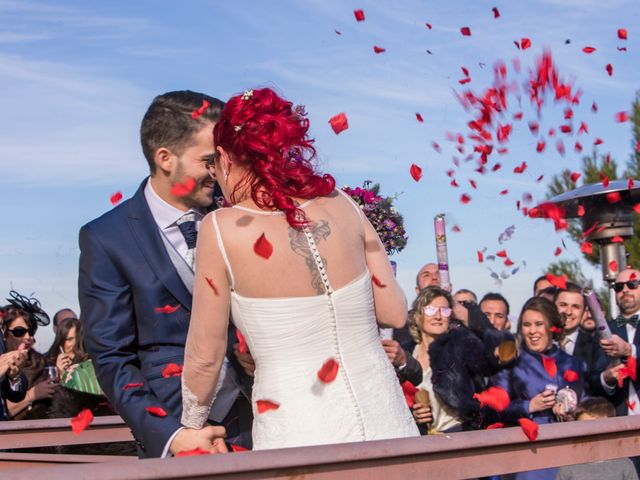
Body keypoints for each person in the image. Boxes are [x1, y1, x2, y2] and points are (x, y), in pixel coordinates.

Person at [176, 87, 419, 452]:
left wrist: (191, 425)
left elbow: (204, 354)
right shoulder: (344, 205)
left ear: (225, 158)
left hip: (298, 432)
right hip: (387, 422)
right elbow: (394, 311)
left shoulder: (220, 230)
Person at [79, 90, 252, 458]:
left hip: (255, 419)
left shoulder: (240, 219)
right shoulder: (107, 238)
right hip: (177, 433)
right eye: (208, 160)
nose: (218, 172)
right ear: (165, 158)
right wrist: (172, 435)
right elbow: (112, 357)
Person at [491, 297, 587, 480]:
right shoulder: (510, 363)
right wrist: (529, 406)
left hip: (567, 450)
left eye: (539, 324)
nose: (532, 331)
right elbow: (493, 409)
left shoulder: (573, 363)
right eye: (527, 325)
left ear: (552, 327)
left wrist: (572, 412)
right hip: (527, 453)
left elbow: (586, 402)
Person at [409, 287, 461, 433]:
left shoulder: (459, 353)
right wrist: (413, 414)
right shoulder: (407, 355)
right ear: (417, 317)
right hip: (418, 440)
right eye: (431, 310)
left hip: (455, 436)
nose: (438, 316)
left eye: (444, 311)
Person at [556, 398, 638, 480]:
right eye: (584, 428)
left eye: (598, 428)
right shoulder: (568, 468)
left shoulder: (624, 465)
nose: (591, 434)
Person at [2, 291, 54, 420]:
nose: (27, 337)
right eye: (19, 332)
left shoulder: (41, 362)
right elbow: (5, 410)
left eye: (30, 331)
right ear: (4, 333)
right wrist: (33, 394)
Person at [598, 267, 640, 416]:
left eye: (632, 284)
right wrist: (606, 378)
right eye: (619, 287)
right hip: (618, 420)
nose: (625, 290)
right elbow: (593, 377)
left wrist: (629, 351)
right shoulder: (604, 331)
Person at [553, 283, 606, 395]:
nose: (568, 312)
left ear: (583, 313)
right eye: (563, 305)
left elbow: (597, 387)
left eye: (576, 307)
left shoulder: (594, 346)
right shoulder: (540, 343)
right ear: (552, 307)